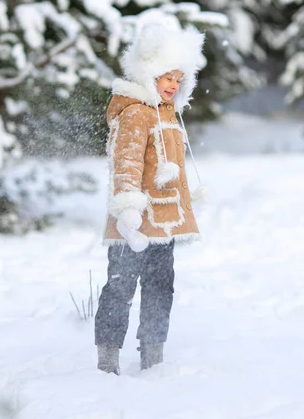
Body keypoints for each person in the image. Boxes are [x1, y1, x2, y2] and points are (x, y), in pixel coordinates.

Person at [94, 22, 207, 374]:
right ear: (148, 76)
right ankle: (107, 360)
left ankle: (153, 357)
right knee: (120, 287)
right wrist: (127, 209)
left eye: (178, 78)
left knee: (161, 288)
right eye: (166, 77)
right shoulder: (136, 113)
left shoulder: (169, 114)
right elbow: (125, 162)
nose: (172, 85)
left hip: (164, 223)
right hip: (135, 223)